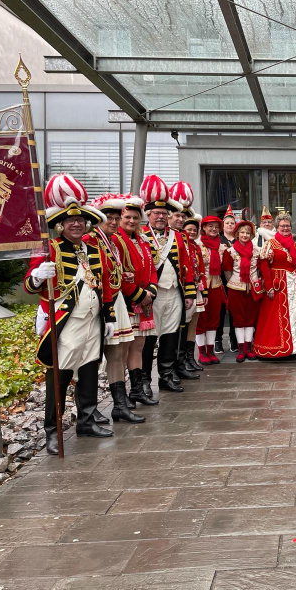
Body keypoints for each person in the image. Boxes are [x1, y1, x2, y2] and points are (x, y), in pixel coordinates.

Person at [25, 174, 115, 455]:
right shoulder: (49, 248)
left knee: (89, 372)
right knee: (59, 378)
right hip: (67, 323)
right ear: (60, 224)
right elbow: (29, 285)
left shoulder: (93, 249)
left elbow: (105, 286)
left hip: (93, 321)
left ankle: (87, 421)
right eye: (69, 221)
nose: (76, 224)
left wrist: (109, 317)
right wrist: (39, 276)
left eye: (80, 220)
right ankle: (52, 430)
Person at [86, 194, 144, 425]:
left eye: (114, 217)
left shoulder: (110, 241)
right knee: (96, 357)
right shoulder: (92, 240)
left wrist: (123, 275)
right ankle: (89, 410)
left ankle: (119, 406)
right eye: (107, 217)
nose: (111, 221)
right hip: (103, 302)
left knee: (119, 353)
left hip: (116, 299)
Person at [140, 175, 195, 393]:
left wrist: (189, 293)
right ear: (148, 214)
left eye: (164, 213)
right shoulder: (141, 235)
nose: (161, 217)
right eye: (157, 213)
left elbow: (187, 266)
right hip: (152, 295)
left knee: (171, 335)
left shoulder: (178, 237)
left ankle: (166, 375)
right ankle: (144, 380)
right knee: (148, 338)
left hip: (174, 293)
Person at [113, 195, 159, 408]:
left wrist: (151, 289)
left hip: (144, 299)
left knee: (138, 346)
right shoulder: (115, 239)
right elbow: (119, 274)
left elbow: (151, 268)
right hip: (128, 301)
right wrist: (139, 294)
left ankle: (137, 390)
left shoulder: (142, 240)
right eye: (127, 217)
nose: (131, 221)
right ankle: (121, 397)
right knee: (124, 349)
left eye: (135, 217)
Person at [254, 213, 296, 358]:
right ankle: (276, 347)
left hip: (292, 286)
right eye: (282, 226)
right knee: (275, 317)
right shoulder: (270, 244)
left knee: (295, 314)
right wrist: (269, 287)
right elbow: (264, 266)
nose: (285, 228)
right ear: (277, 227)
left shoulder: (295, 245)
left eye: (287, 226)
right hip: (277, 285)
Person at [168, 181, 201, 382]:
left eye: (183, 216)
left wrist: (190, 292)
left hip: (182, 290)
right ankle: (170, 369)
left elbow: (189, 267)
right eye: (177, 215)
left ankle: (181, 363)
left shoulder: (183, 239)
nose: (180, 219)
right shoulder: (154, 237)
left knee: (182, 328)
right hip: (164, 290)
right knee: (170, 333)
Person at [225, 220, 264, 362]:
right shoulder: (230, 251)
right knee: (239, 318)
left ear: (252, 235)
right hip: (236, 288)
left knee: (251, 318)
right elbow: (228, 271)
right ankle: (241, 347)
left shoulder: (257, 251)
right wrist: (235, 281)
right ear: (237, 234)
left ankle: (249, 346)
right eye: (242, 232)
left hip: (252, 288)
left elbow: (259, 269)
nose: (245, 235)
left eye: (248, 233)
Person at [195, 215, 231, 365]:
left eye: (216, 227)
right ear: (203, 228)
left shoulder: (222, 247)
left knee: (214, 320)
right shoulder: (197, 245)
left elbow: (228, 268)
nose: (214, 229)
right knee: (201, 320)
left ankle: (210, 350)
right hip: (201, 287)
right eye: (210, 226)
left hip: (216, 286)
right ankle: (201, 351)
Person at [181, 210, 207, 374]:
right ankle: (182, 359)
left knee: (193, 325)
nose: (191, 232)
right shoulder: (181, 246)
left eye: (194, 230)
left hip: (196, 289)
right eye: (188, 229)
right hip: (184, 290)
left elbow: (202, 269)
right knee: (184, 325)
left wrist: (204, 292)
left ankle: (190, 358)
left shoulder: (196, 247)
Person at [216, 205, 238, 354]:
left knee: (235, 311)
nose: (230, 225)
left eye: (232, 223)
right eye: (227, 223)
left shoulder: (239, 239)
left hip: (237, 280)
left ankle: (234, 339)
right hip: (221, 280)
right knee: (220, 311)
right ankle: (218, 340)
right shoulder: (218, 239)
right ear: (223, 225)